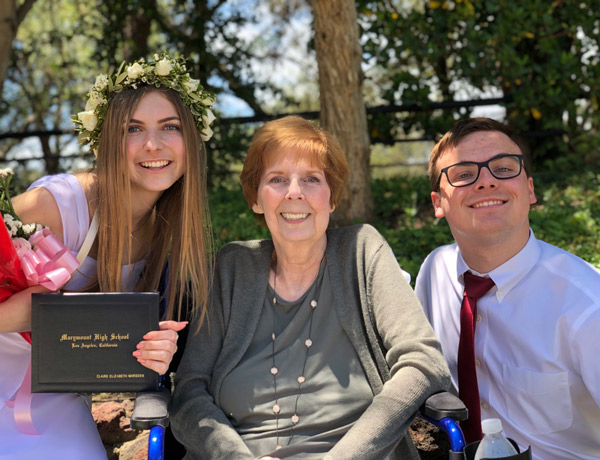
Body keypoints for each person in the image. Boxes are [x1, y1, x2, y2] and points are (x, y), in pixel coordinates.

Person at [170, 115, 450, 460]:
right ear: (256, 198)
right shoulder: (230, 269)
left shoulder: (361, 251)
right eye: (277, 179)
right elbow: (189, 391)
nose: (294, 192)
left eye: (311, 179)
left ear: (331, 198)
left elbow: (423, 361)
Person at [0, 53, 216, 459]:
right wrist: (16, 316)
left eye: (169, 127)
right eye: (134, 128)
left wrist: (157, 353)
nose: (153, 144)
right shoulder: (57, 206)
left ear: (190, 139)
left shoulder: (178, 236)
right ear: (109, 142)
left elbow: (122, 345)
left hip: (52, 393)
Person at [415, 117, 600, 460]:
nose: (486, 181)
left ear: (529, 190)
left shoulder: (587, 307)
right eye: (464, 174)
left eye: (503, 168)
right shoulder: (434, 272)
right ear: (438, 203)